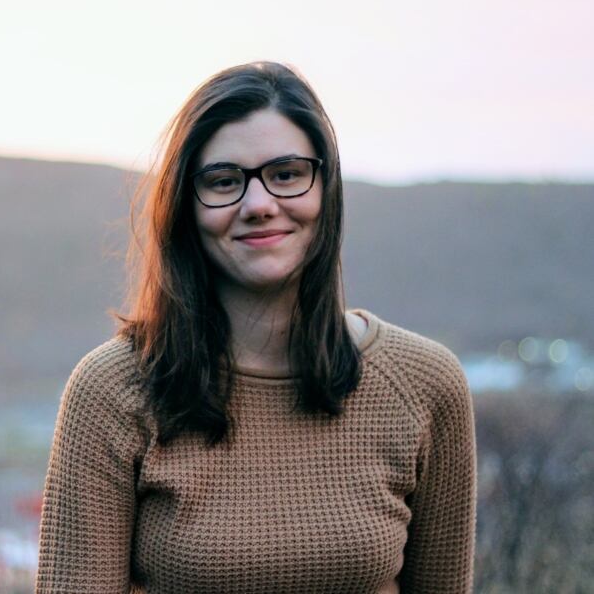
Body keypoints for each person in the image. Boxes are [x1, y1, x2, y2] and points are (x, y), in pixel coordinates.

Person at [35, 61, 477, 593]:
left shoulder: (425, 384)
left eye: (286, 174)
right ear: (185, 208)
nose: (259, 205)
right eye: (224, 181)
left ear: (325, 189)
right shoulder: (113, 390)